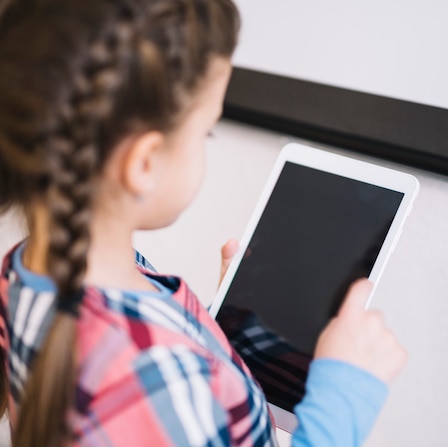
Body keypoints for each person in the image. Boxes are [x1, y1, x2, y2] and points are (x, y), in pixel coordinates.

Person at [0, 0, 407, 445]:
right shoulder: (166, 379)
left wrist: (214, 331)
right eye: (206, 130)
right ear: (146, 161)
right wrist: (344, 397)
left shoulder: (23, 271)